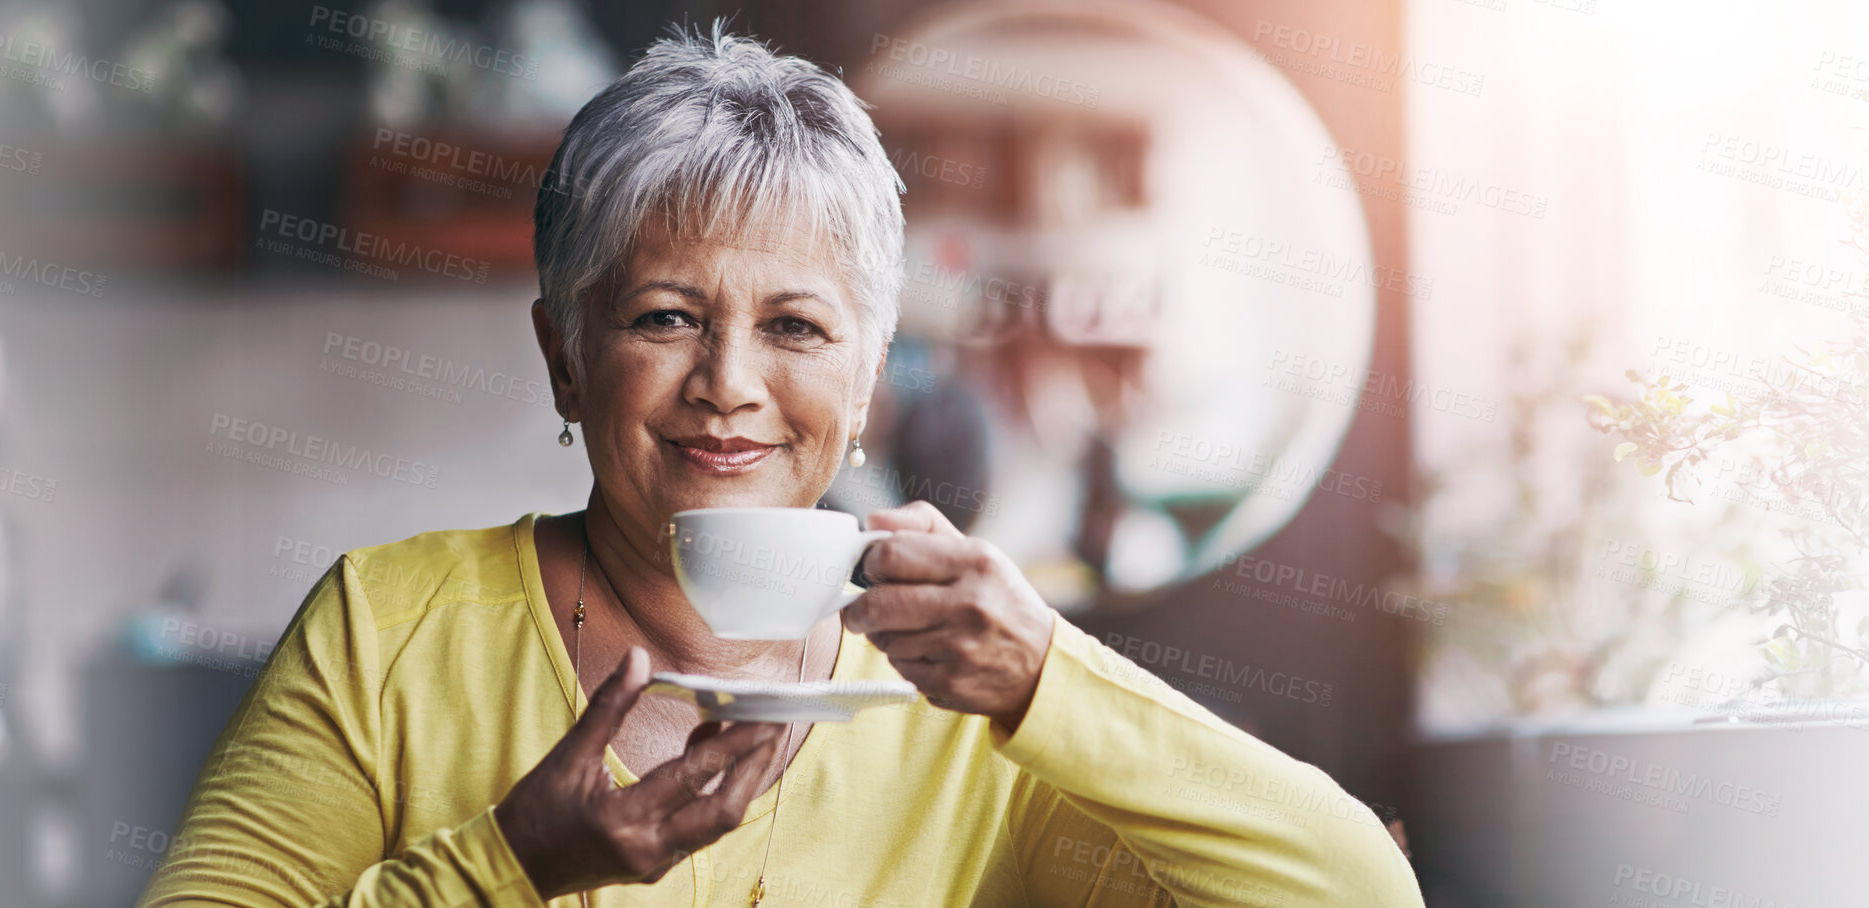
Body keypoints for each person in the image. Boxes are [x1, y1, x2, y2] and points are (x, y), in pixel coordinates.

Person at [138, 25, 1420, 908]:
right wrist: (511, 862)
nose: (729, 383)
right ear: (565, 357)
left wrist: (1045, 673)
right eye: (663, 317)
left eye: (796, 326)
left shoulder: (966, 711)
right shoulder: (387, 628)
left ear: (867, 378)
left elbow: (1354, 887)